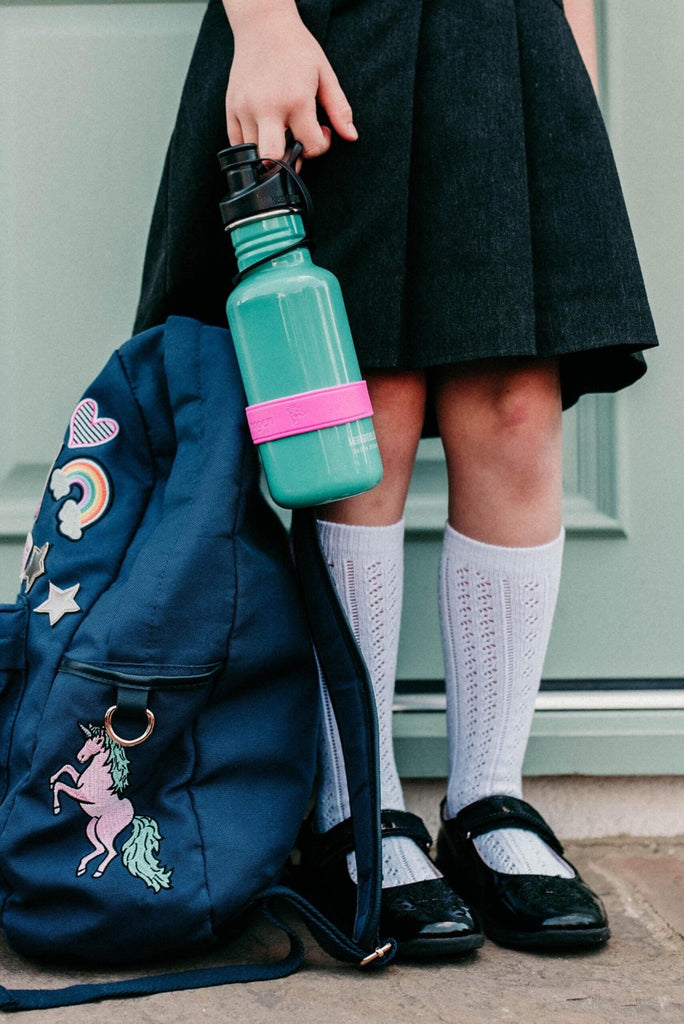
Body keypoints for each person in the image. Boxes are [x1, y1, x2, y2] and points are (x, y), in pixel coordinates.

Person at [134, 0, 658, 956]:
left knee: (514, 400)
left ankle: (490, 799)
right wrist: (260, 24)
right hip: (328, 27)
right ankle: (353, 810)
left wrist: (568, 71)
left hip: (507, 36)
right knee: (362, 393)